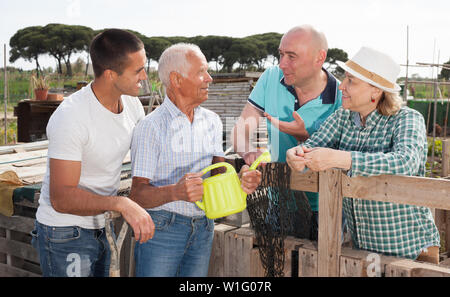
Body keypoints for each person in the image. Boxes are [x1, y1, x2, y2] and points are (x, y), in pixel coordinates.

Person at [286, 46, 440, 263]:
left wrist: (340, 158)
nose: (342, 86)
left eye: (351, 81)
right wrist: (295, 154)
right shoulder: (343, 117)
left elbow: (406, 162)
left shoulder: (407, 118)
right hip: (365, 248)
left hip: (411, 248)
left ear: (376, 91)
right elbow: (312, 146)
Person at [130, 43, 262, 277]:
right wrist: (175, 192)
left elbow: (218, 177)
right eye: (201, 72)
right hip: (162, 229)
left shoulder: (212, 121)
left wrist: (240, 181)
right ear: (177, 79)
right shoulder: (150, 127)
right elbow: (138, 195)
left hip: (203, 227)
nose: (209, 78)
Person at [32, 29, 155, 277]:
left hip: (102, 225)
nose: (144, 75)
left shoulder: (132, 105)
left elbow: (150, 151)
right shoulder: (71, 117)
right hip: (65, 233)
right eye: (138, 70)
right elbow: (61, 198)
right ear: (110, 75)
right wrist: (120, 202)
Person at [231, 25, 342, 236]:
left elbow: (344, 155)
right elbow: (240, 130)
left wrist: (304, 136)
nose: (282, 64)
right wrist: (248, 152)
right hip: (279, 203)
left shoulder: (340, 97)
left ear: (320, 58)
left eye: (292, 56)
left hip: (327, 207)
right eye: (281, 54)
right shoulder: (270, 78)